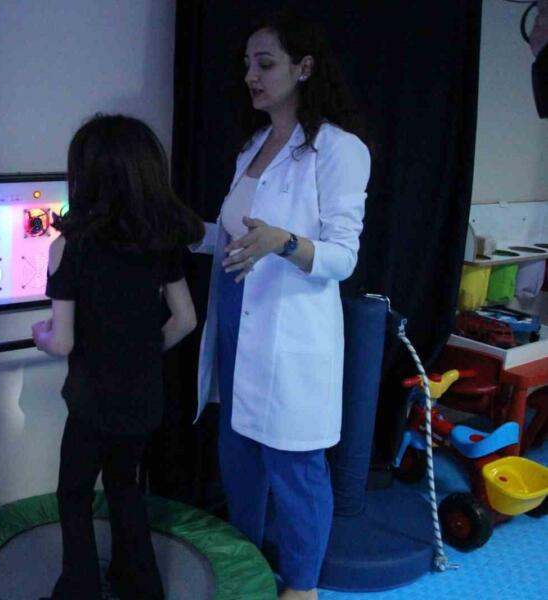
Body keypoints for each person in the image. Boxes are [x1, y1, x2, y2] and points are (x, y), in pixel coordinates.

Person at [190, 13, 371, 600]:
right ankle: (246, 571)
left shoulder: (339, 150)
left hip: (289, 336)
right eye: (247, 64)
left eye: (265, 64)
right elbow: (233, 236)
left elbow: (343, 256)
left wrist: (284, 243)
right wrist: (183, 231)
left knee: (295, 469)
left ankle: (302, 586)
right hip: (237, 327)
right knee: (239, 460)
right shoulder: (251, 147)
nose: (251, 75)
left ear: (304, 68)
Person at [32, 114, 204, 600]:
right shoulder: (159, 241)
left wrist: (40, 336)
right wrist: (140, 353)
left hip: (92, 402)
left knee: (74, 494)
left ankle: (79, 590)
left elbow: (63, 342)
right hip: (143, 399)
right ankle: (140, 584)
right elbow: (185, 320)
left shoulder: (69, 247)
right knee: (126, 488)